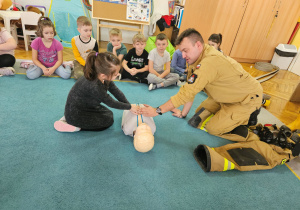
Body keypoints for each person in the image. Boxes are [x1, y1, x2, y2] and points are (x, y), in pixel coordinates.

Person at [141, 28, 263, 142]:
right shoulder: (196, 57)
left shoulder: (209, 62)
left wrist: (157, 111)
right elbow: (190, 89)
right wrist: (183, 114)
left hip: (246, 98)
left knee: (213, 128)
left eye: (185, 51)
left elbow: (186, 93)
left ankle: (250, 120)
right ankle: (228, 114)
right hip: (224, 97)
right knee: (197, 117)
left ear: (198, 45)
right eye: (181, 51)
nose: (183, 56)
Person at [54, 52, 139, 132]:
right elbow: (111, 102)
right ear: (103, 75)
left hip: (83, 107)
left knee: (109, 114)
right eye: (115, 74)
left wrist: (129, 105)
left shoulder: (101, 75)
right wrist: (129, 107)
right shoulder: (95, 86)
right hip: (76, 114)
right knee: (108, 121)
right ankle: (74, 126)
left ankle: (68, 118)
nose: (118, 75)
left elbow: (116, 91)